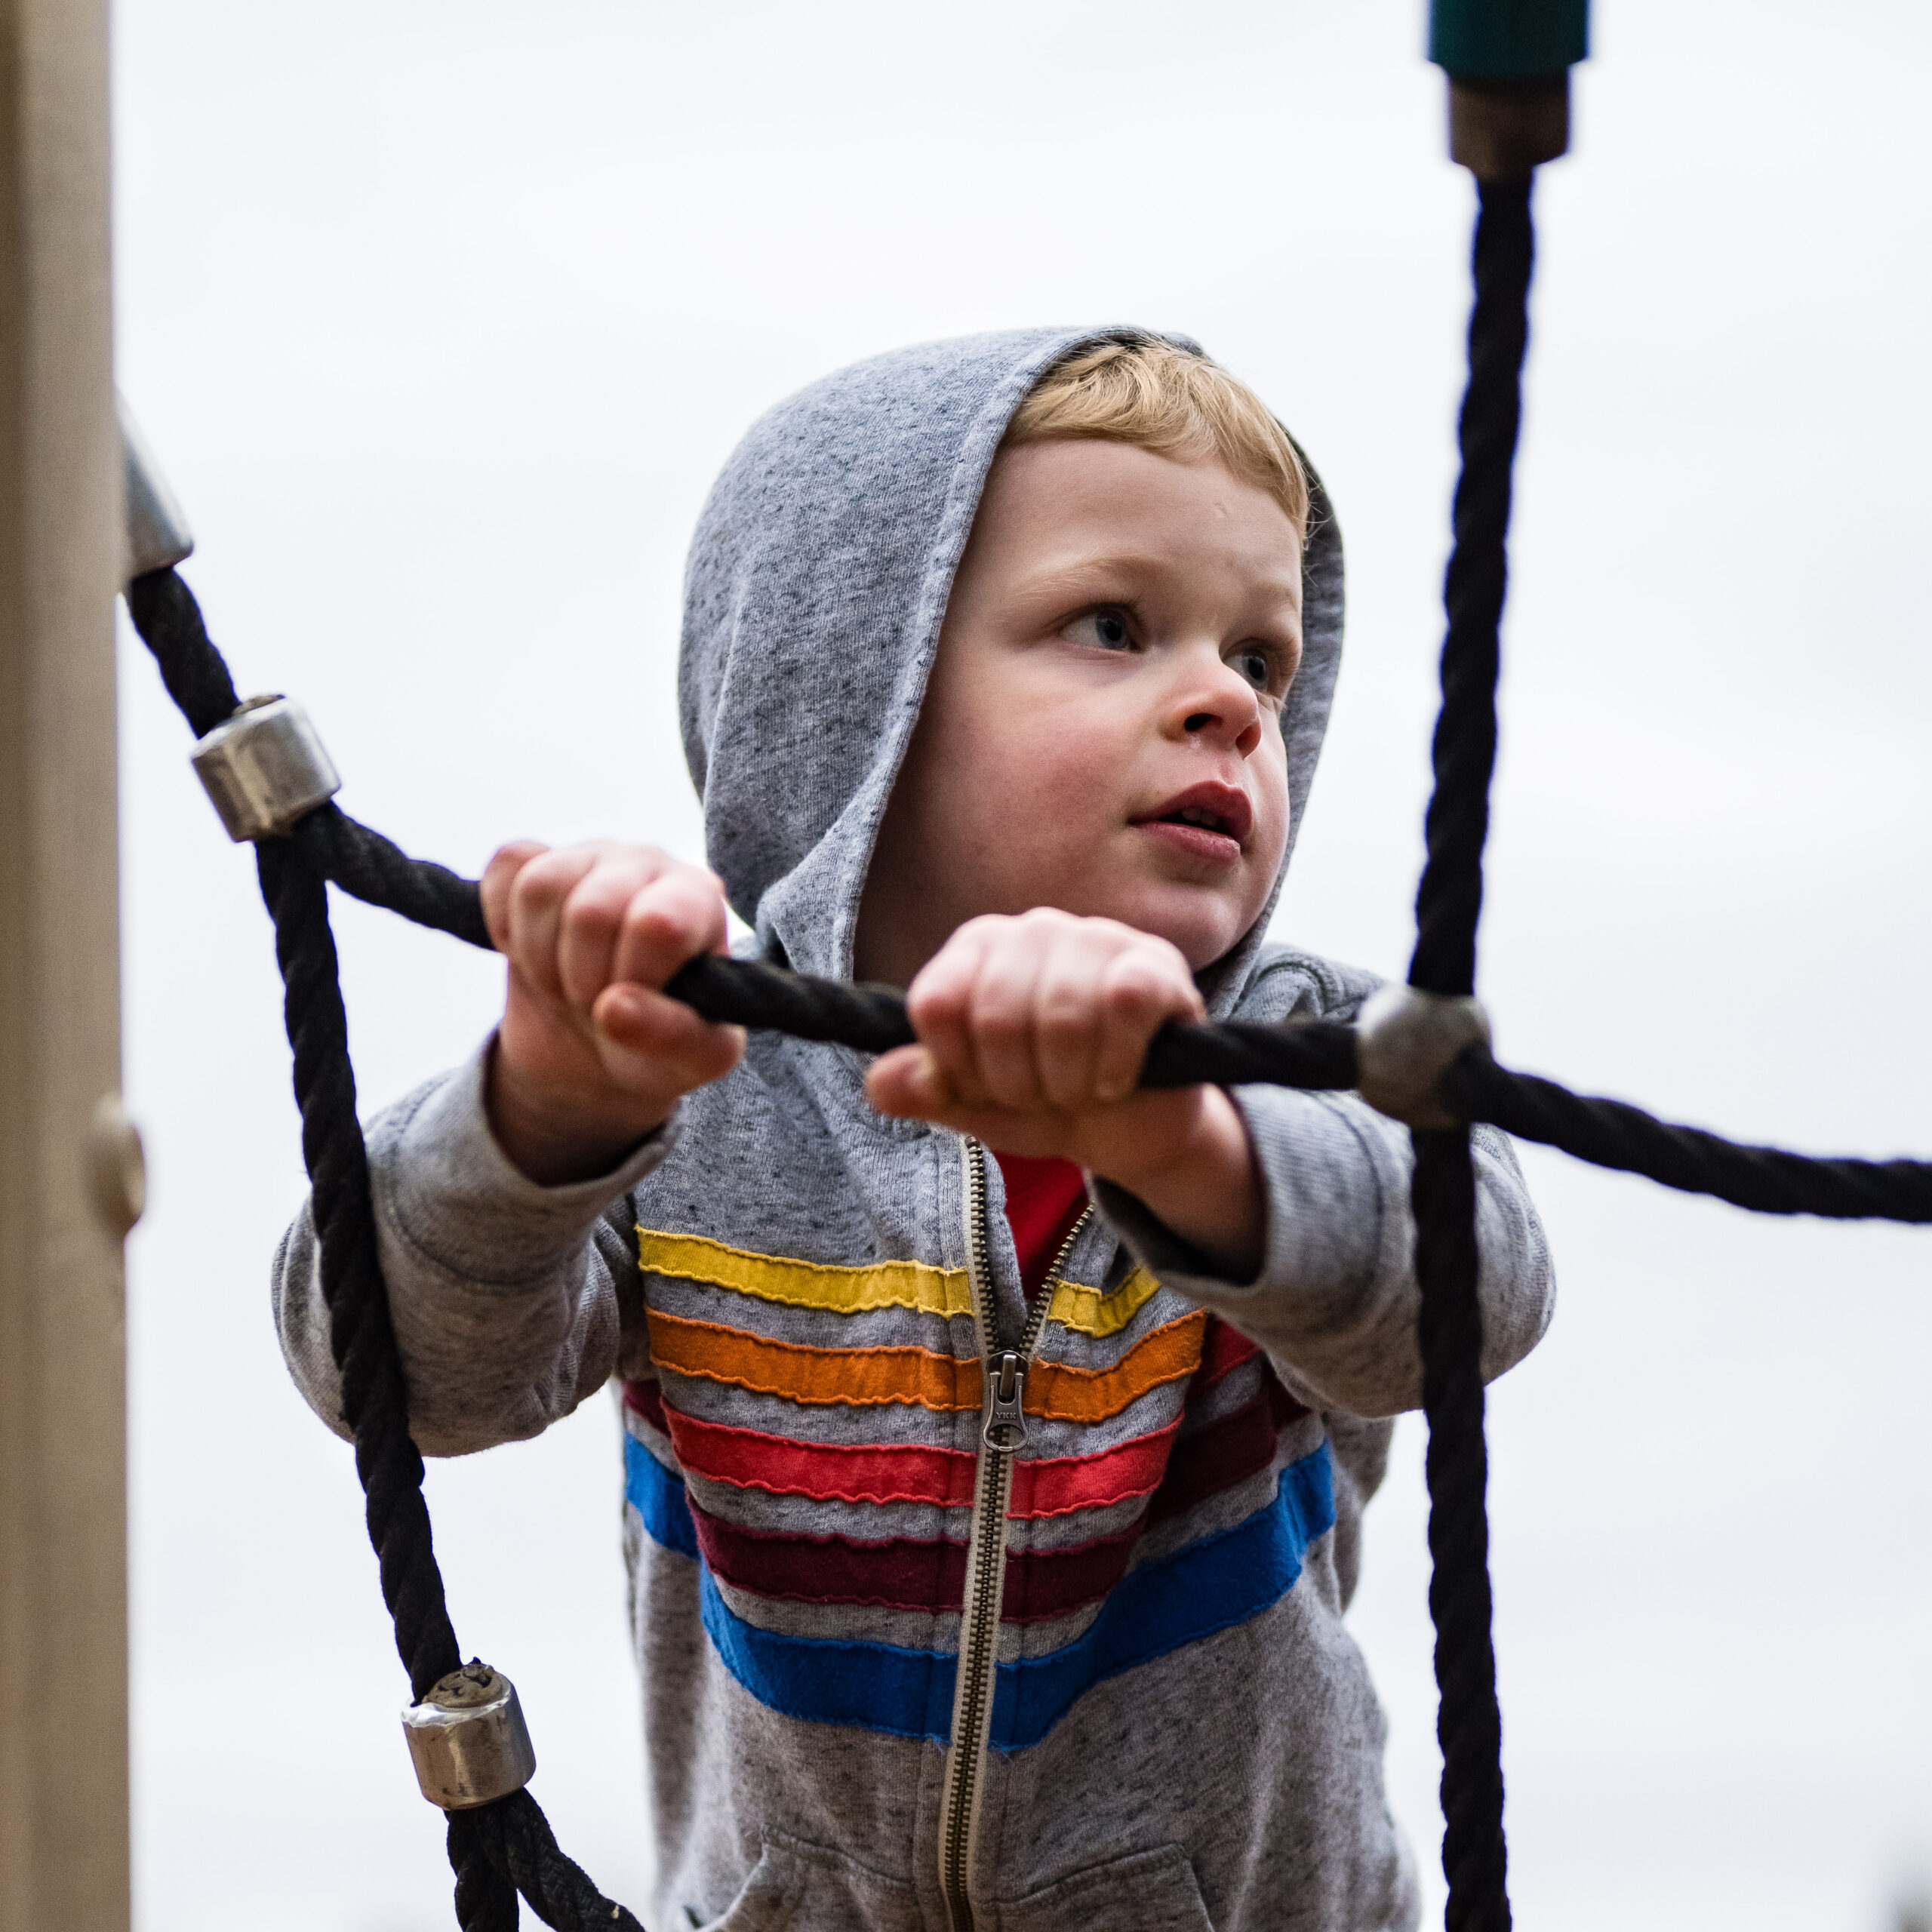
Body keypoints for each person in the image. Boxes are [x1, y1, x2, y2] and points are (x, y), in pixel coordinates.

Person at [274, 328, 1553, 1932]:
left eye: (1263, 657)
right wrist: (545, 1106)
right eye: (1114, 625)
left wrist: (1177, 1136)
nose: (1227, 701)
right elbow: (391, 1371)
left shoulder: (1292, 1052)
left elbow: (1469, 1291)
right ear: (852, 687)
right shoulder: (691, 1069)